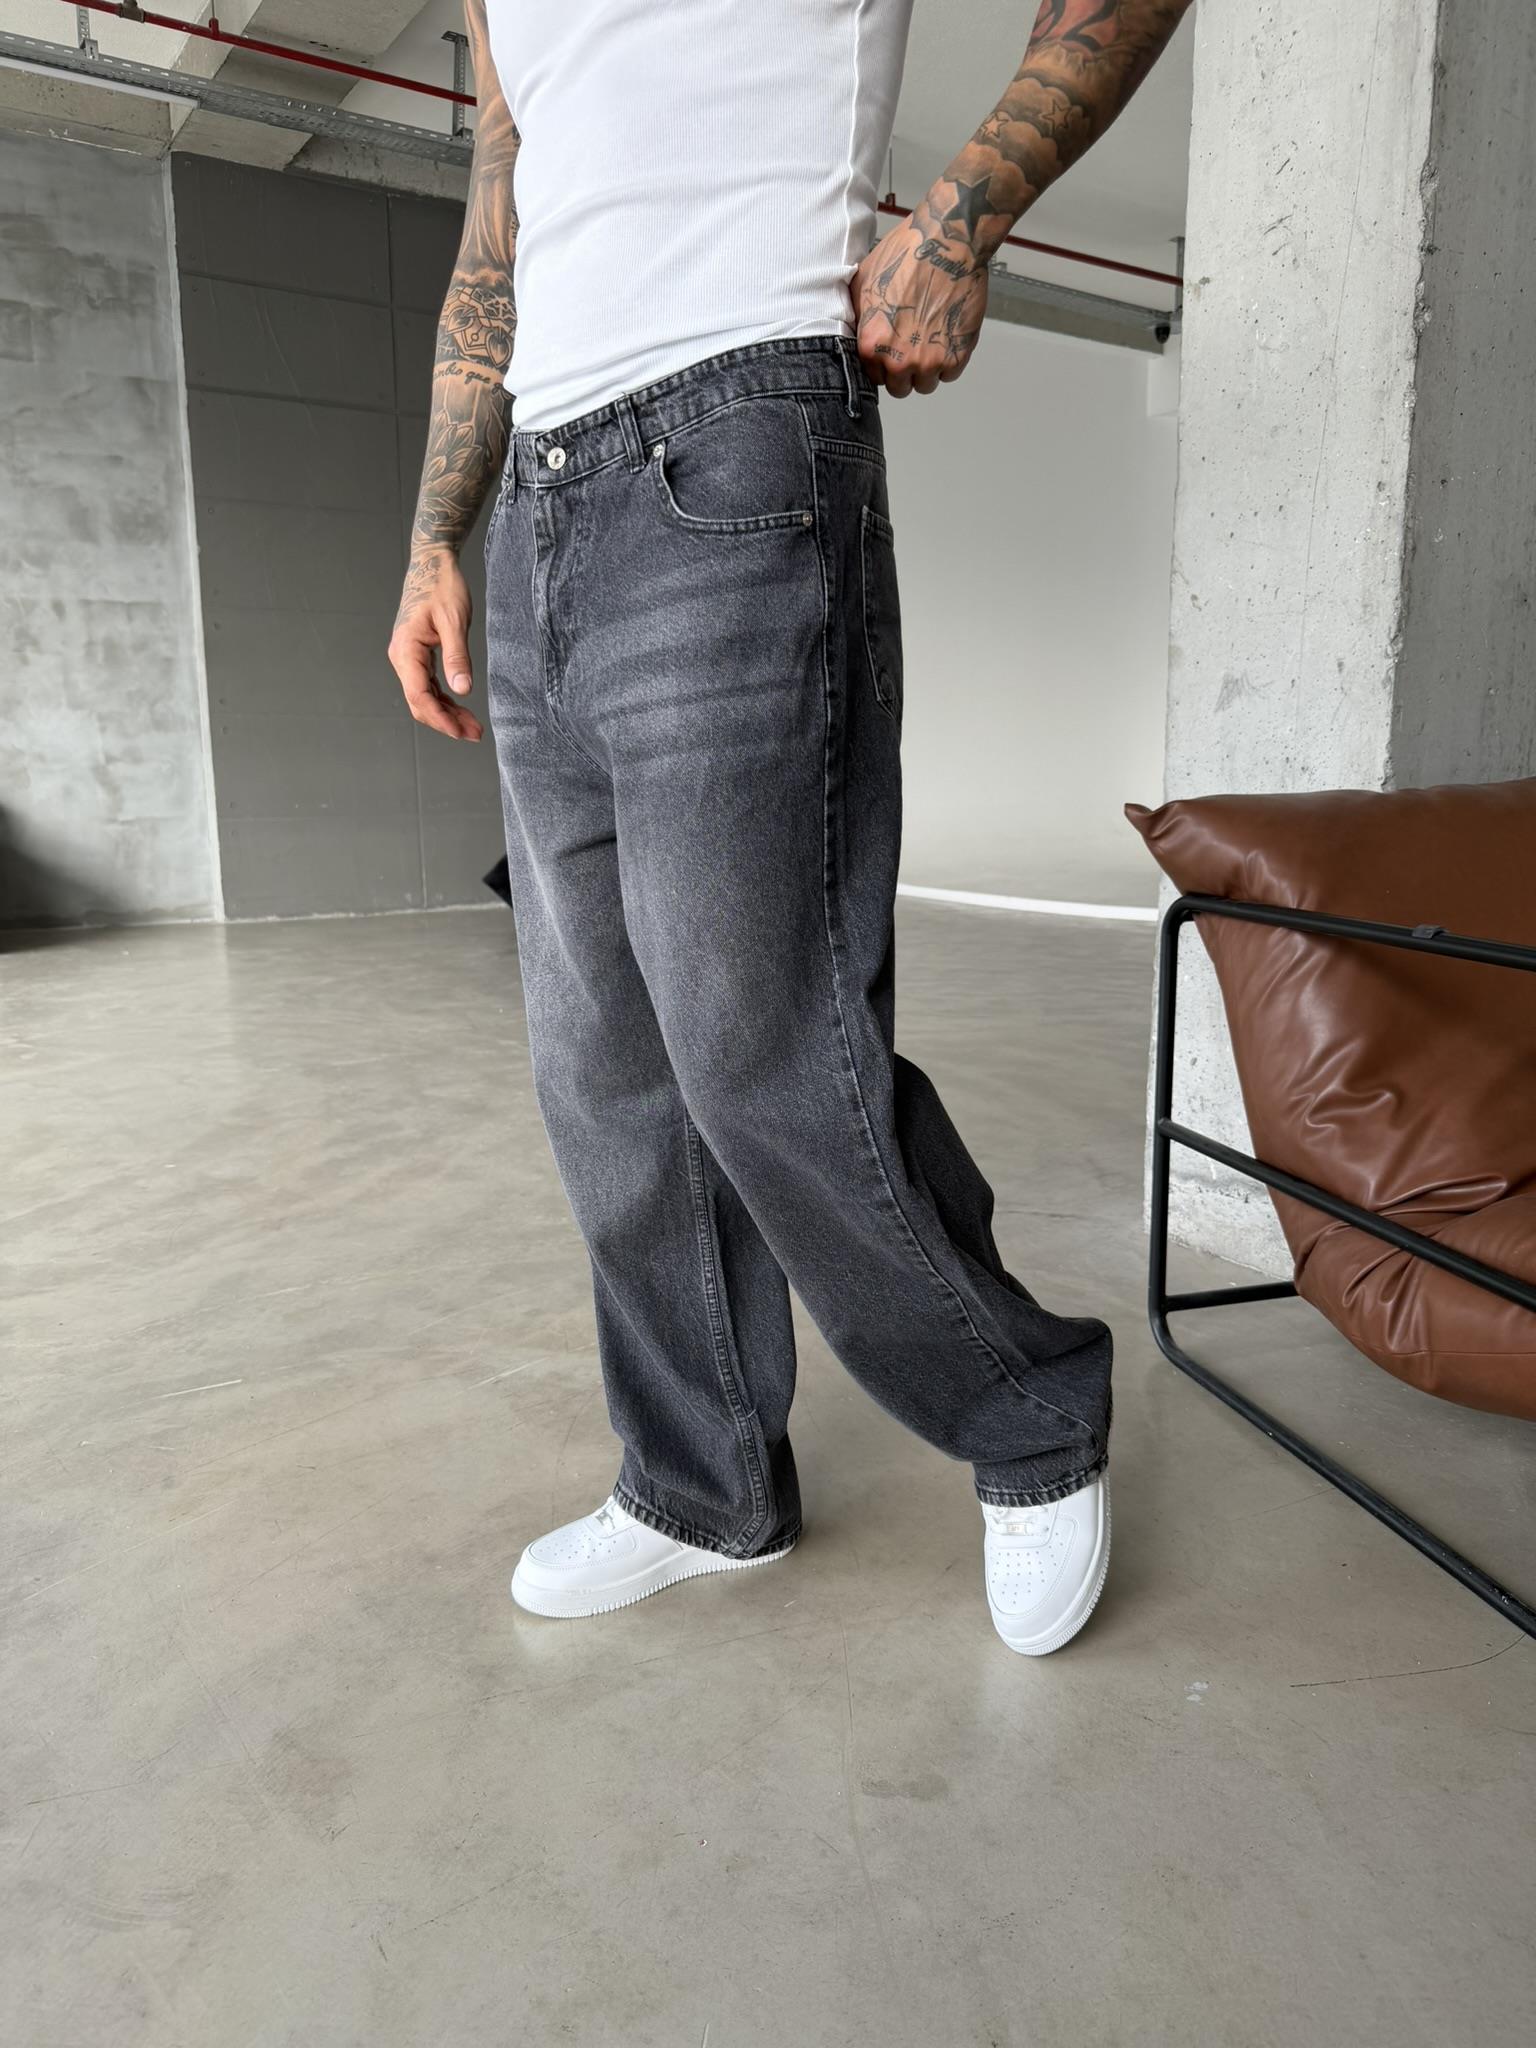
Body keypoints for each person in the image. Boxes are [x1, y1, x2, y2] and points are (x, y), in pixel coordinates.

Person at [389, 0, 1193, 1655]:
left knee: (761, 1042)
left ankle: (1028, 1412)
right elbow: (497, 225)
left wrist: (962, 216)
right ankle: (702, 1487)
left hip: (734, 437)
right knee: (602, 1066)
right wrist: (434, 537)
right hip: (536, 502)